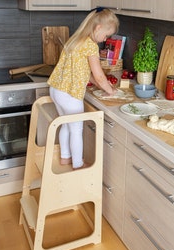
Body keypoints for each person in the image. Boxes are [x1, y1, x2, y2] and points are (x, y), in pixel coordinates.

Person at [48, 8, 119, 169]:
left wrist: (97, 83)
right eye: (106, 35)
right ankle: (78, 164)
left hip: (57, 90)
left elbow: (82, 71)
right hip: (70, 95)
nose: (105, 39)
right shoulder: (91, 46)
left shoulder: (76, 40)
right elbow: (100, 76)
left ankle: (65, 157)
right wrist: (111, 90)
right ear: (98, 28)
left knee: (66, 125)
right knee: (76, 130)